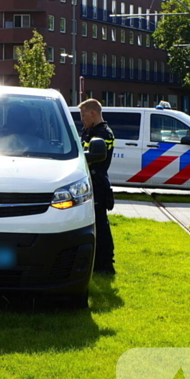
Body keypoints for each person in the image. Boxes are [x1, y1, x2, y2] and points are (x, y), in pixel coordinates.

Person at [79, 98, 116, 274]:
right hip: (89, 183)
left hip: (98, 184)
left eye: (83, 114)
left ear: (93, 113)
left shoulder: (103, 134)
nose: (82, 118)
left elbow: (92, 159)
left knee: (100, 224)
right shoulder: (89, 131)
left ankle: (106, 265)